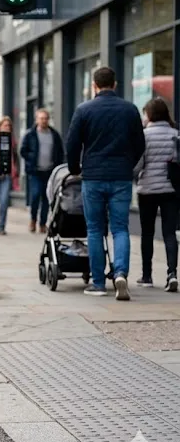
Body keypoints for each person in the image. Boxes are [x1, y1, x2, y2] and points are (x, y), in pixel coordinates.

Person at [66, 66, 145, 300]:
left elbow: (72, 144)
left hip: (93, 176)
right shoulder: (129, 109)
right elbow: (140, 144)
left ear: (94, 85)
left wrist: (75, 169)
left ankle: (98, 283)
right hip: (121, 176)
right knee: (120, 228)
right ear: (115, 84)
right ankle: (120, 273)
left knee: (94, 229)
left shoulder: (84, 110)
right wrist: (128, 164)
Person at [133, 97, 178, 292]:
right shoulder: (176, 135)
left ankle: (147, 276)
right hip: (171, 190)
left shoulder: (144, 136)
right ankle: (172, 274)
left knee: (147, 233)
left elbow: (138, 165)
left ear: (150, 115)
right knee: (169, 233)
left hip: (148, 190)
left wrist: (135, 175)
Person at [19, 108, 65, 233]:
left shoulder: (54, 135)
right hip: (35, 171)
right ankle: (33, 219)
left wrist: (57, 165)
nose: (44, 121)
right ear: (37, 120)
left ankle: (43, 223)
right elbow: (23, 151)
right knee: (35, 195)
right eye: (41, 118)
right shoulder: (30, 134)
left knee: (46, 198)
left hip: (49, 172)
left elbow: (60, 151)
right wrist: (31, 159)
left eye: (45, 118)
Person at [0, 117, 19, 235]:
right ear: (0, 126)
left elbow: (15, 157)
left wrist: (15, 171)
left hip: (6, 175)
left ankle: (1, 227)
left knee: (4, 202)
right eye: (5, 125)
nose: (7, 128)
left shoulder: (12, 141)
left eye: (9, 126)